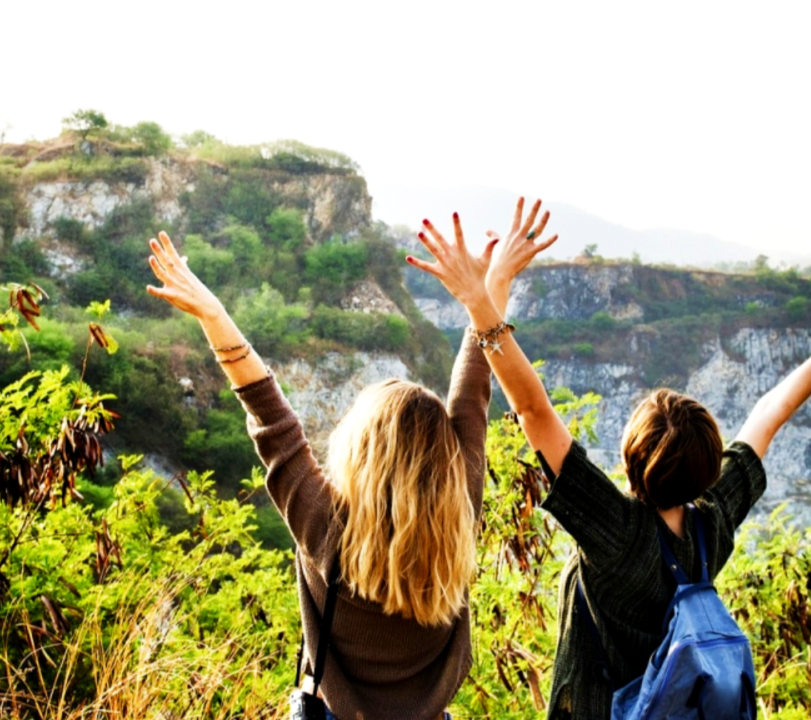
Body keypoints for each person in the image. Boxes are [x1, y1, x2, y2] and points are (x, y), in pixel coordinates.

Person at [406, 202, 811, 720]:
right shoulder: (713, 524)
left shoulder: (618, 532)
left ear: (631, 459)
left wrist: (480, 301)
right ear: (709, 469)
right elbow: (770, 414)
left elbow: (531, 407)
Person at [144, 221, 547, 720]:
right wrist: (491, 289)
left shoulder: (327, 528)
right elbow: (472, 396)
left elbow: (272, 419)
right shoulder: (459, 507)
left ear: (360, 451)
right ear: (445, 459)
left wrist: (213, 313)